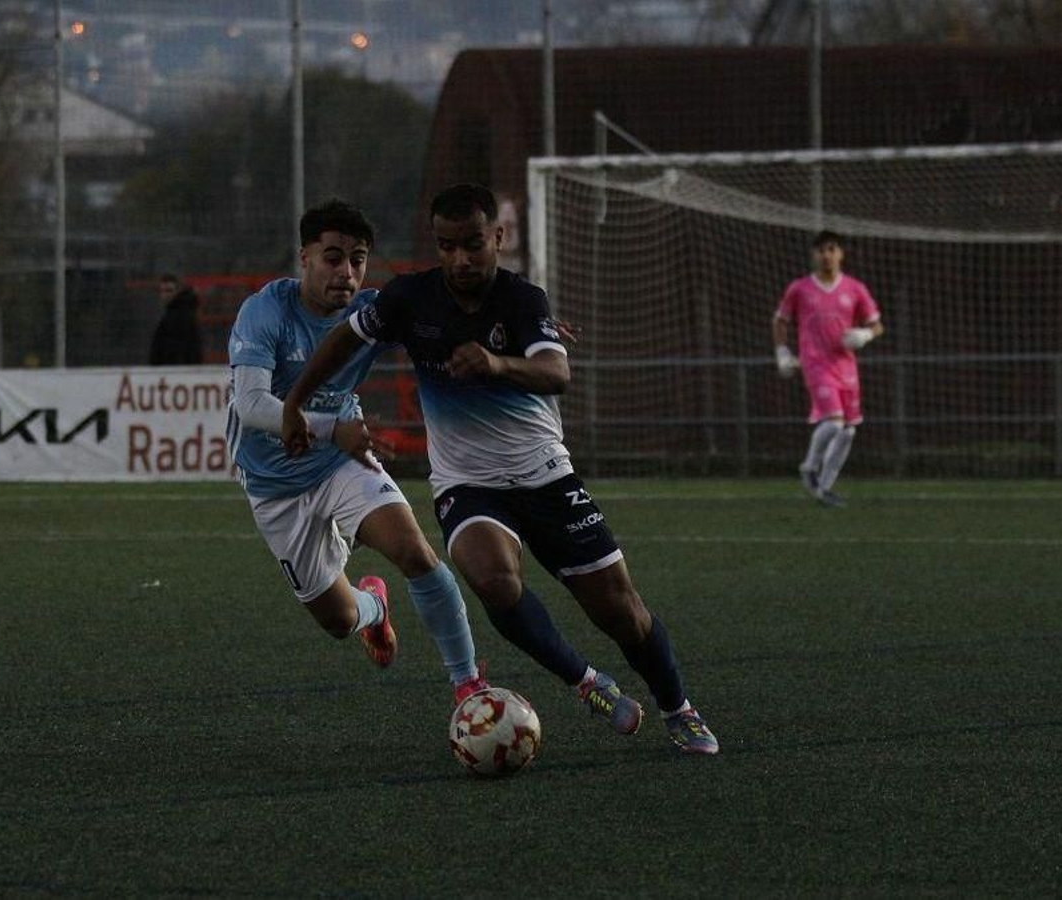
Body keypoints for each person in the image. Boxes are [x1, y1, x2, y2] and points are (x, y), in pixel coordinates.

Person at [282, 184, 719, 756]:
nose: (460, 259)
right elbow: (344, 338)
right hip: (468, 485)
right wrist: (296, 402)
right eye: (446, 246)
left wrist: (497, 362)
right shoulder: (409, 297)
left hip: (546, 476)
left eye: (472, 245)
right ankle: (587, 683)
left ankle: (677, 707)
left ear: (498, 238)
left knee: (622, 612)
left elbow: (555, 372)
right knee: (491, 579)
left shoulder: (522, 300)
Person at [227, 199, 487, 703]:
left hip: (341, 463)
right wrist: (331, 427)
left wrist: (526, 334)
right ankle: (374, 609)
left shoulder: (370, 314)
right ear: (303, 257)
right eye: (332, 257)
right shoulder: (265, 311)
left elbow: (451, 315)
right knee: (339, 620)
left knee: (417, 553)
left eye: (358, 259)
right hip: (275, 488)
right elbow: (252, 405)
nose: (346, 272)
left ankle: (469, 685)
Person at [773, 230, 884, 507]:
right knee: (833, 421)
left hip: (846, 366)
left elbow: (877, 324)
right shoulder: (799, 288)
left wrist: (865, 335)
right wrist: (783, 352)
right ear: (814, 255)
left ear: (841, 254)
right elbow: (780, 321)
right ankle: (809, 467)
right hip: (815, 364)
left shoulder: (855, 288)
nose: (827, 255)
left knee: (848, 431)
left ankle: (824, 488)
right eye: (821, 250)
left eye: (832, 249)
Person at [150, 274, 205, 365]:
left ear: (177, 291)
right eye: (163, 291)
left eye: (169, 291)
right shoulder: (172, 314)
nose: (166, 295)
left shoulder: (181, 316)